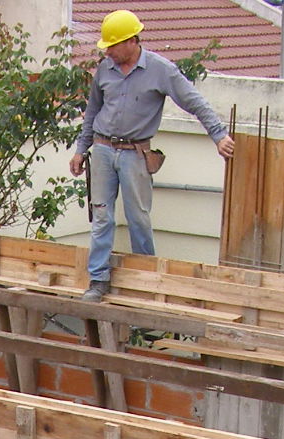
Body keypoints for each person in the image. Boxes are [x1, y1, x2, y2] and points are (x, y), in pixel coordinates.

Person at [68, 10, 237, 302]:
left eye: (113, 46)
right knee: (101, 216)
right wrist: (81, 150)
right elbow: (92, 111)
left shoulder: (161, 70)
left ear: (132, 42)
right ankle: (98, 280)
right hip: (103, 149)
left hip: (135, 153)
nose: (107, 51)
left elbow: (194, 102)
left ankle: (146, 282)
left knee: (138, 219)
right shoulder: (105, 70)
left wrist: (219, 135)